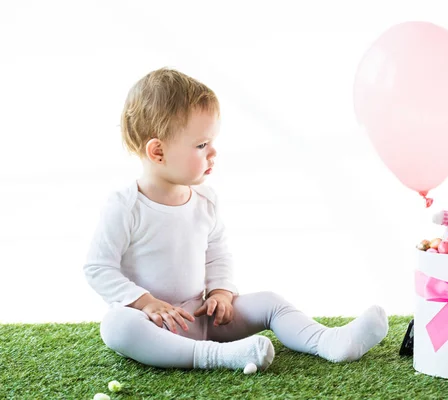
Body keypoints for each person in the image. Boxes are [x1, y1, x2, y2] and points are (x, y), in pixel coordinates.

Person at [83, 67, 389, 371]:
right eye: (201, 145)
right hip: (153, 325)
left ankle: (328, 341)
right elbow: (98, 268)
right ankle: (217, 356)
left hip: (201, 315)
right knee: (116, 325)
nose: (213, 152)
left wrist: (221, 293)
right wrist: (145, 303)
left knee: (269, 301)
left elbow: (218, 254)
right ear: (158, 152)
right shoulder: (125, 205)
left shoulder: (205, 200)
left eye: (212, 142)